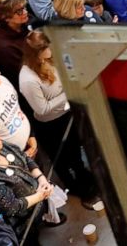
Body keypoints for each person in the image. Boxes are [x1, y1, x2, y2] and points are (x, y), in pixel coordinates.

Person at [19, 29, 99, 208]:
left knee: (76, 154)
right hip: (51, 125)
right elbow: (42, 108)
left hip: (66, 114)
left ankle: (86, 180)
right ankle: (78, 189)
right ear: (37, 53)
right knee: (64, 160)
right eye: (48, 47)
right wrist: (69, 93)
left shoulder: (49, 61)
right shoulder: (28, 79)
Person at [0, 120, 53, 235]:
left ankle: (45, 218)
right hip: (23, 224)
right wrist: (40, 195)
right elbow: (12, 207)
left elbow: (25, 158)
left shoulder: (1, 146)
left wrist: (41, 179)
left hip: (39, 199)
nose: (0, 138)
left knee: (44, 220)